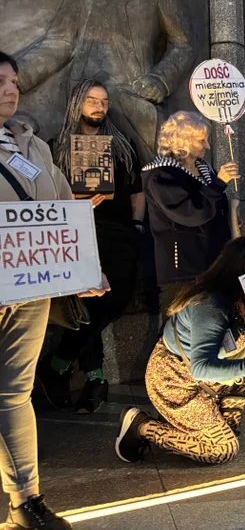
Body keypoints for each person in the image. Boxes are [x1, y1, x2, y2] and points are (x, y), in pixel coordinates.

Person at [0, 52, 109, 530]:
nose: (11, 88)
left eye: (14, 81)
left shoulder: (34, 148)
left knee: (14, 393)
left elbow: (63, 207)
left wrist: (88, 269)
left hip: (30, 291)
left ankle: (26, 501)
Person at [13, 0, 195, 163]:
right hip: (84, 107)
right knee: (86, 185)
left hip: (134, 105)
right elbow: (59, 43)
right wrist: (13, 78)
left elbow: (182, 45)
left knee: (139, 184)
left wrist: (160, 80)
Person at [114, 237, 245, 465]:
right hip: (176, 381)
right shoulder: (211, 306)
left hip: (211, 377)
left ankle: (226, 416)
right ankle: (142, 426)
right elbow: (201, 368)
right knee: (222, 450)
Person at [36, 81, 145, 414]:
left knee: (114, 298)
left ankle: (58, 361)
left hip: (119, 232)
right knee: (86, 302)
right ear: (76, 104)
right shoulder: (57, 147)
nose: (100, 106)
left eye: (104, 101)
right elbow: (48, 196)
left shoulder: (122, 146)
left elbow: (137, 191)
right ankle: (95, 377)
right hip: (77, 232)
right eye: (92, 100)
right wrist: (74, 202)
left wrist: (138, 223)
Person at [142, 111, 239, 315]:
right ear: (182, 141)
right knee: (181, 334)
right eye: (201, 140)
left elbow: (210, 206)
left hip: (212, 263)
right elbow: (191, 214)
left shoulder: (203, 168)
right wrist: (219, 183)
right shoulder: (161, 175)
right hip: (183, 270)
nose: (207, 146)